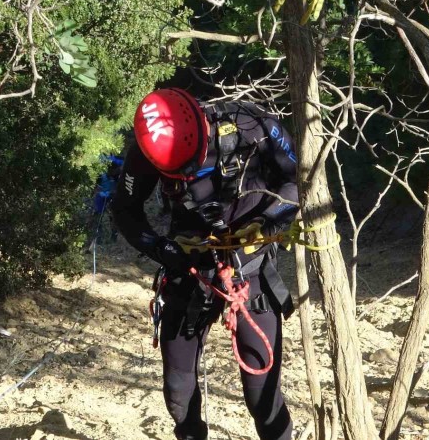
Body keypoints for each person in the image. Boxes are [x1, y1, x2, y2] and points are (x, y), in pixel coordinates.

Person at [112, 88, 298, 440]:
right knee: (178, 392)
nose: (185, 177)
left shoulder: (251, 123)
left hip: (249, 269)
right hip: (189, 268)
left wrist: (267, 224)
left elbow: (297, 180)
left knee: (262, 396)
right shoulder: (148, 150)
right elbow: (125, 209)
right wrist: (163, 249)